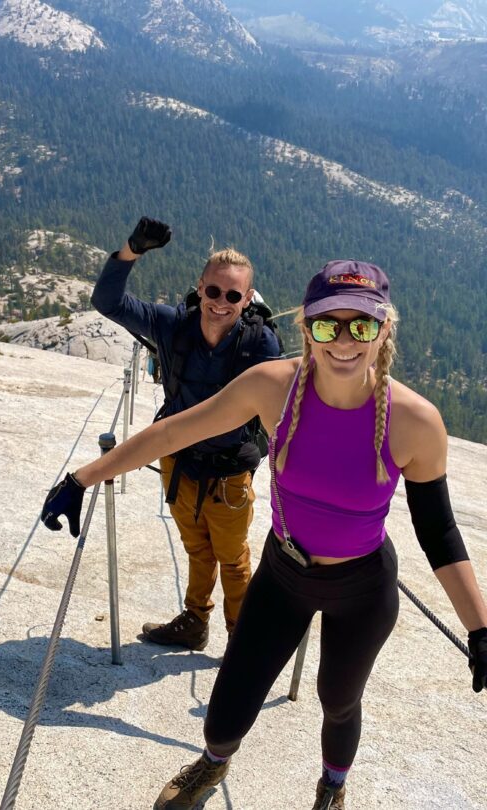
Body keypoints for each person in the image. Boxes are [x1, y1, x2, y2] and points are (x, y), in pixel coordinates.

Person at [41, 259, 487, 809]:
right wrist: (82, 478)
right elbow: (173, 432)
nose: (344, 341)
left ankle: (332, 787)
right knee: (230, 698)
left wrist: (480, 631)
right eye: (328, 325)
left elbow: (439, 533)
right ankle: (213, 762)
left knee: (339, 700)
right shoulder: (273, 387)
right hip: (283, 574)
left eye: (361, 326)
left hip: (364, 588)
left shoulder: (415, 422)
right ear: (306, 329)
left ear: (384, 330)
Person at [89, 216, 280, 650]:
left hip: (231, 473)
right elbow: (108, 302)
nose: (220, 302)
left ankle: (241, 640)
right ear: (200, 287)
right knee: (197, 550)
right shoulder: (172, 325)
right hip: (179, 463)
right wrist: (130, 251)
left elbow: (277, 411)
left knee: (233, 561)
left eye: (233, 295)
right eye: (213, 291)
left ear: (247, 299)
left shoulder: (260, 345)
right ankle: (195, 620)